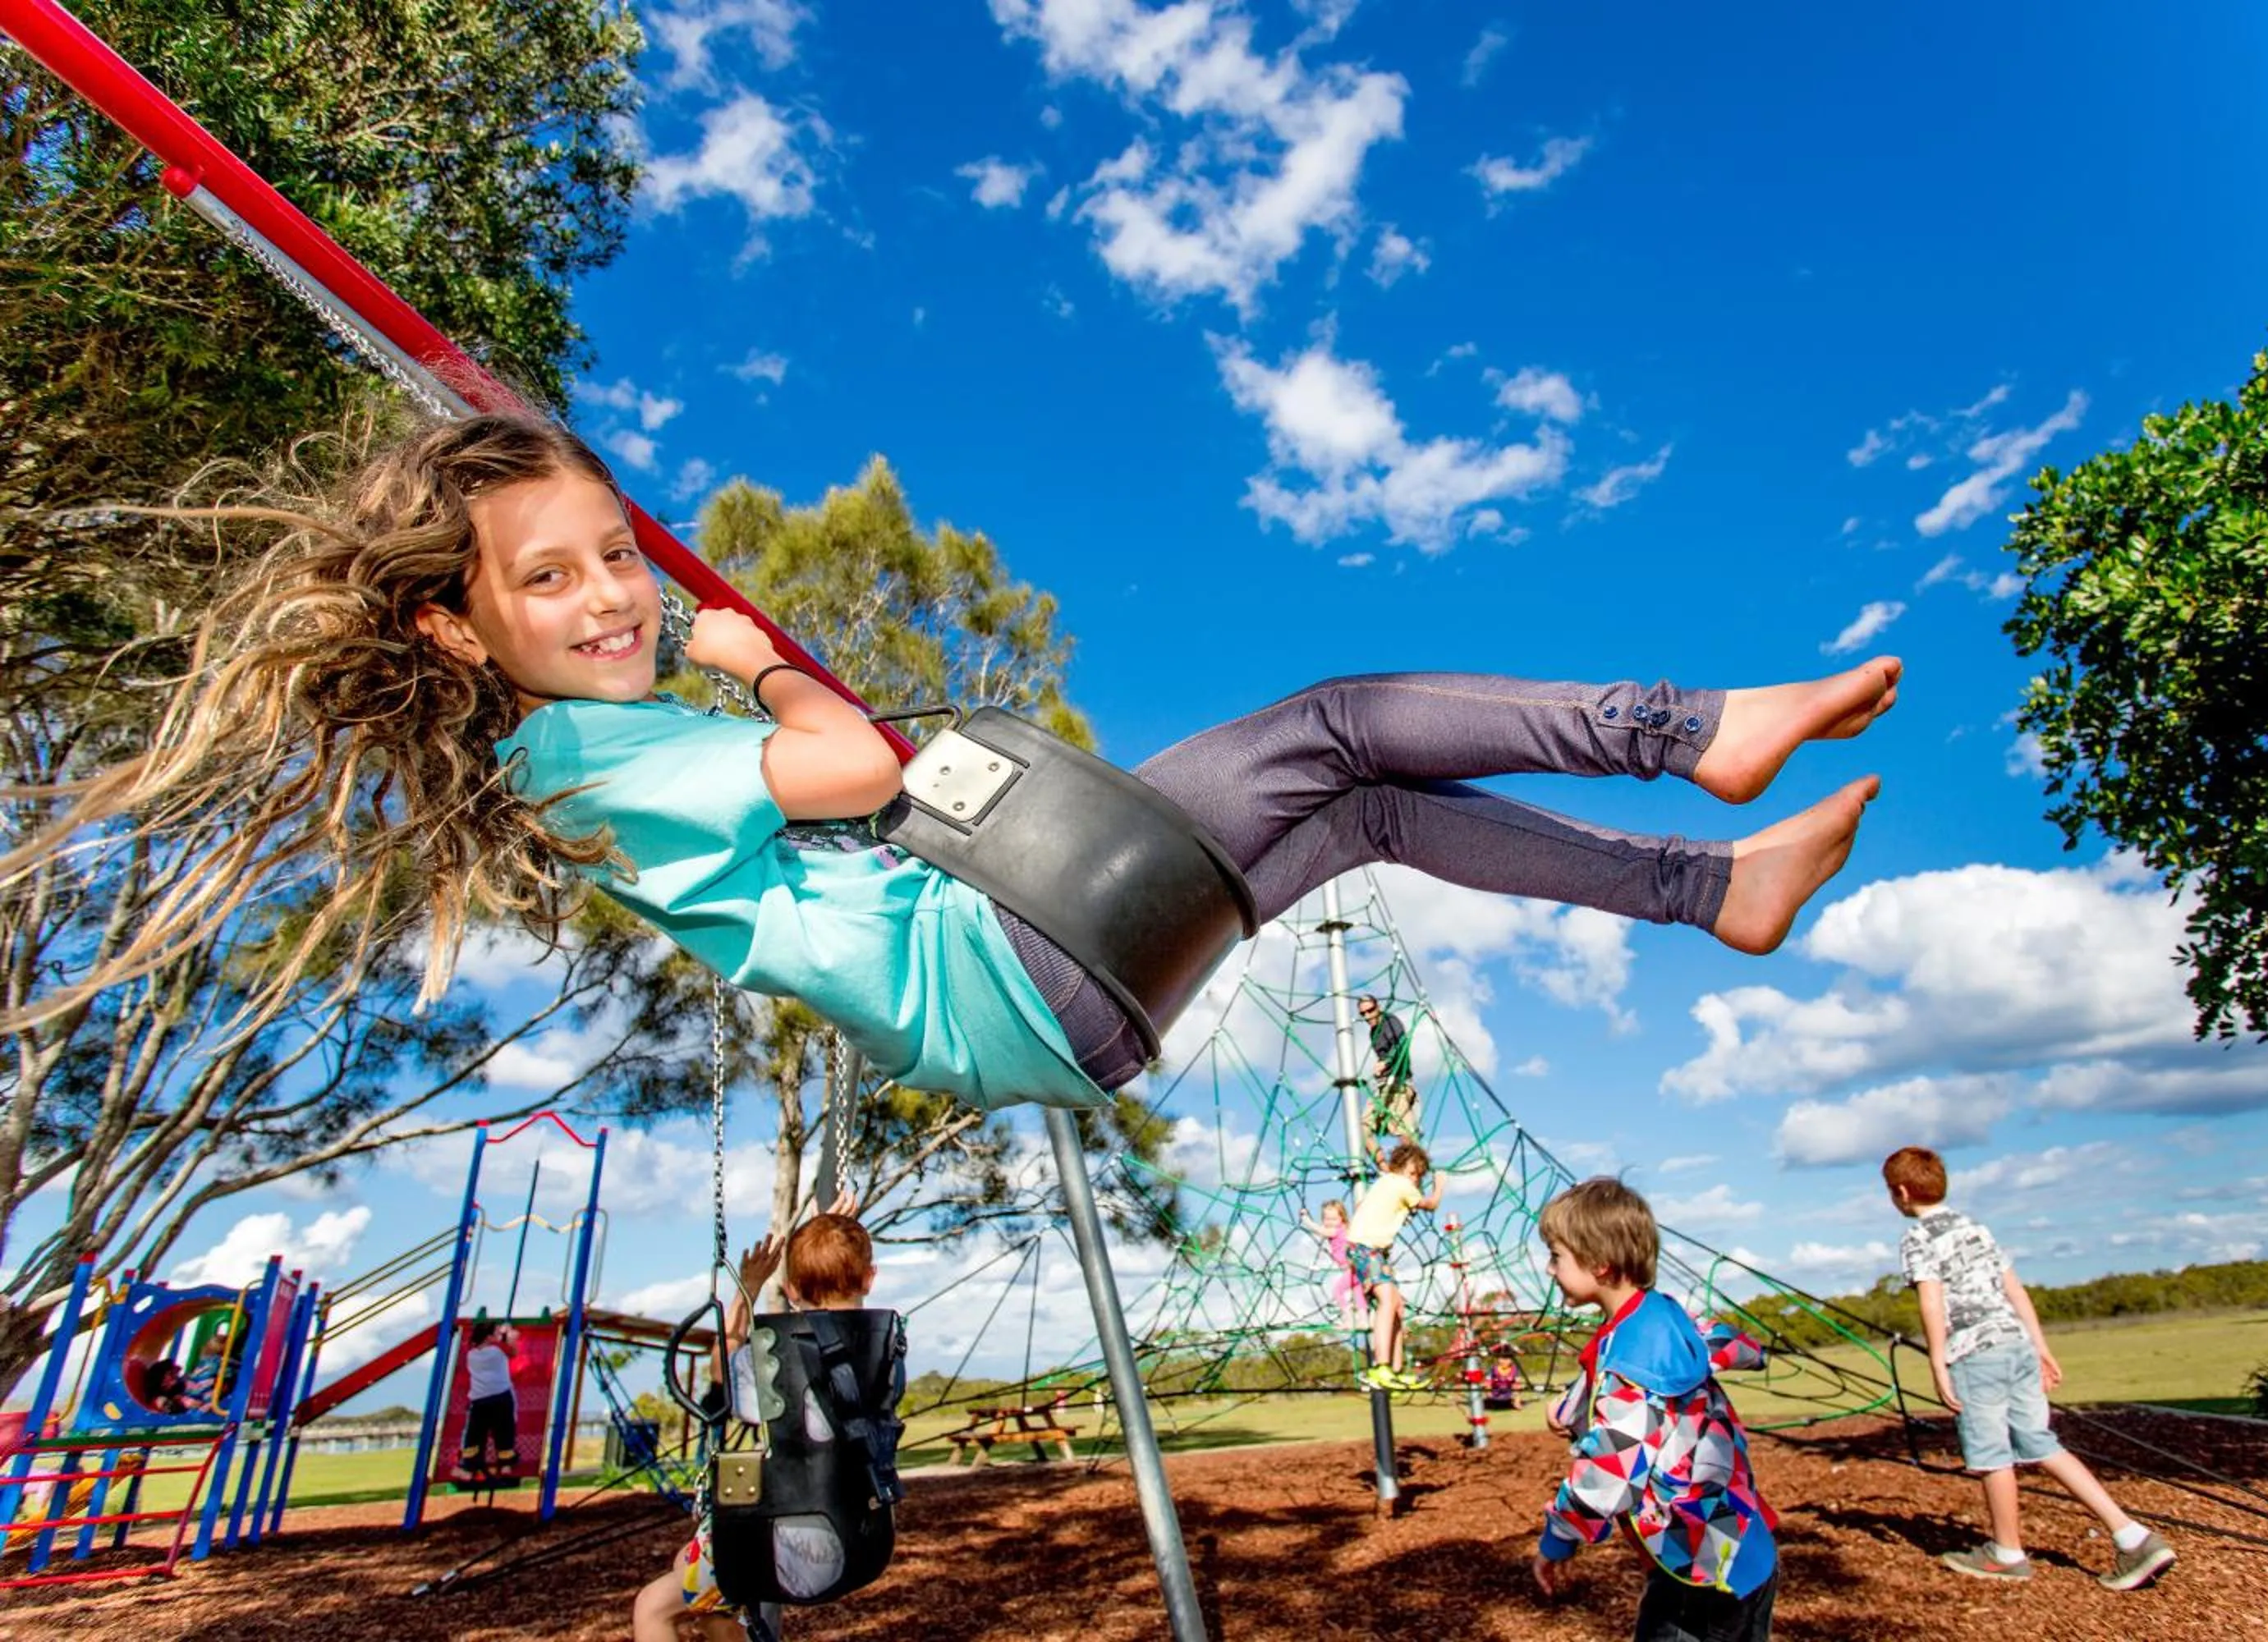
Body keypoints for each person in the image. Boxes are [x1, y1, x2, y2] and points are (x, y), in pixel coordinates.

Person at [5, 415, 1899, 1114]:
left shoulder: (612, 739)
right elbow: (839, 773)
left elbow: (857, 788)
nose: (605, 600)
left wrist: (748, 702)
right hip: (1024, 952)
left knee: (1371, 809)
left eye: (611, 557)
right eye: (547, 579)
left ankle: (1710, 889)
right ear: (456, 629)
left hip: (1052, 984)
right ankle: (1690, 737)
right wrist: (759, 678)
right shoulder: (585, 767)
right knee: (1335, 718)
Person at [1882, 1145, 2177, 1590]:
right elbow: (2015, 1289)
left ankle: (2006, 1553)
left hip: (1975, 1354)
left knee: (1991, 1455)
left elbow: (1931, 1299)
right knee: (2042, 1443)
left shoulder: (1918, 1237)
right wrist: (2040, 1347)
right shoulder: (1976, 1228)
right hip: (2016, 1343)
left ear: (1902, 1193)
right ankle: (2132, 1536)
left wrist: (1939, 1362)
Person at [634, 1188, 893, 1642]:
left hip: (791, 1540)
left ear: (790, 1288)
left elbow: (721, 1375)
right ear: (870, 1278)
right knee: (705, 1588)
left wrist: (749, 1289)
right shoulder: (885, 1345)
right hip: (863, 1537)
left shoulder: (781, 1356)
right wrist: (828, 1239)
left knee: (654, 1607)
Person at [1530, 1177, 1777, 1642]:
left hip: (1703, 1569)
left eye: (1557, 1256)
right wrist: (1570, 1404)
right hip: (1738, 1542)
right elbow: (1722, 1344)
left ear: (1600, 1265)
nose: (1549, 1269)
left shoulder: (1633, 1356)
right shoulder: (1661, 1316)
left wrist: (1557, 1540)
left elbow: (1612, 1470)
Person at [1348, 1141, 1443, 1390]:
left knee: (1398, 1307)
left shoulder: (1386, 1180)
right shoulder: (1401, 1184)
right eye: (1414, 1173)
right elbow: (1431, 1204)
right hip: (1366, 1249)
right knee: (1388, 1301)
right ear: (1402, 1169)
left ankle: (1397, 1370)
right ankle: (1381, 1368)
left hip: (1368, 1250)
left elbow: (1377, 1155)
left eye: (1418, 1175)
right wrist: (1440, 1184)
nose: (1415, 1179)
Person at [457, 1318, 521, 1485]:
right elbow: (513, 1351)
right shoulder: (497, 1351)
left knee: (476, 1435)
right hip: (500, 1397)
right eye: (494, 1333)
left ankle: (470, 1466)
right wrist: (507, 1335)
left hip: (479, 1400)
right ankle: (506, 1465)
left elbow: (500, 1344)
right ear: (488, 1337)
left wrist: (502, 1335)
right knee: (504, 1431)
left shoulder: (472, 1354)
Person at [1356, 995, 1420, 1144]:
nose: (1367, 1016)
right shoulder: (1373, 1032)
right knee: (1363, 1128)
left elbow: (1402, 1044)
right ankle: (1383, 1166)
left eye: (1370, 1011)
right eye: (1363, 1014)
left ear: (1378, 1007)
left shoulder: (1390, 1021)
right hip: (1383, 1085)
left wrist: (1386, 1062)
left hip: (1399, 1083)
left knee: (1405, 1133)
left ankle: (1414, 1164)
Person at [1302, 1199, 1370, 1329]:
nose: (1330, 1222)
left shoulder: (1336, 1230)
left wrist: (1306, 1219)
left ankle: (1348, 1321)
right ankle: (1364, 1321)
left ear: (1342, 1218)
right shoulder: (1346, 1229)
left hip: (1352, 1269)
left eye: (1334, 1219)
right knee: (1358, 1294)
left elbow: (1319, 1230)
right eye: (1327, 1219)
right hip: (1358, 1268)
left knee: (1338, 1291)